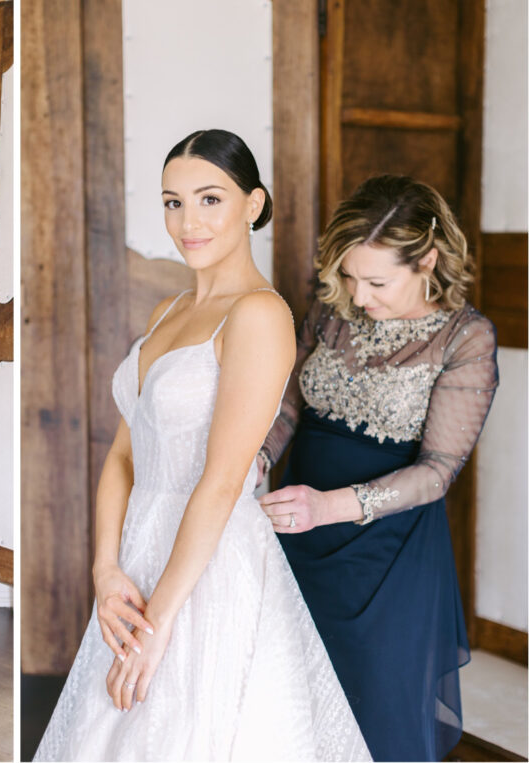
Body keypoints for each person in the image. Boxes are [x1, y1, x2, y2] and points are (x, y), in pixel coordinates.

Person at [34, 129, 370, 761]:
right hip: (140, 552)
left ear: (252, 204)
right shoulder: (167, 309)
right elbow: (123, 457)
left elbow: (221, 482)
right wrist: (106, 570)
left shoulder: (260, 315)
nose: (188, 221)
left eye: (209, 199)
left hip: (210, 564)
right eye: (172, 202)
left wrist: (157, 623)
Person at [256, 174, 499, 762]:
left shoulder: (465, 338)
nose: (358, 294)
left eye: (377, 281)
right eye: (347, 274)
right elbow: (290, 403)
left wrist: (328, 506)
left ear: (429, 261)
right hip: (297, 537)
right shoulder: (332, 309)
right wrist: (258, 458)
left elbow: (437, 471)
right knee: (289, 701)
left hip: (388, 552)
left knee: (374, 712)